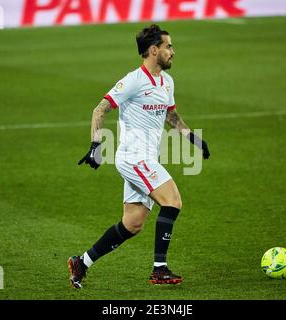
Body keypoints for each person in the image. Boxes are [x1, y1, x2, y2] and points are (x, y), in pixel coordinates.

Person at [69, 24, 210, 289]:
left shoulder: (167, 82)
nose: (173, 51)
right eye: (168, 46)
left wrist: (192, 137)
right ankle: (159, 269)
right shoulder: (133, 80)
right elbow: (100, 110)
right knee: (173, 200)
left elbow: (170, 114)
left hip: (147, 159)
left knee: (132, 224)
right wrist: (95, 146)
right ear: (153, 50)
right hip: (134, 157)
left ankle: (82, 262)